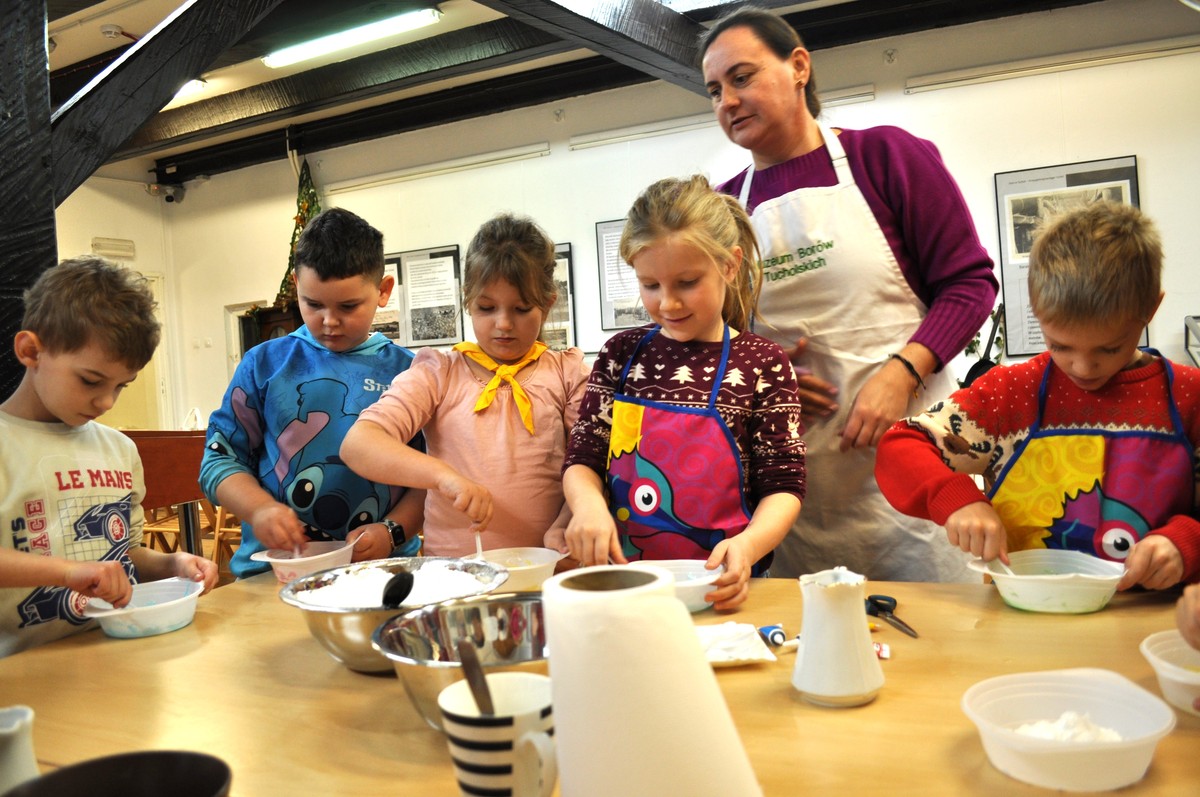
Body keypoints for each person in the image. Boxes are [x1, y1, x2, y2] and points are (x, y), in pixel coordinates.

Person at [699, 7, 998, 581]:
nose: (727, 102)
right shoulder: (723, 210)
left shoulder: (886, 158)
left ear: (799, 66)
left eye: (742, 78)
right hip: (797, 487)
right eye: (714, 91)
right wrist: (764, 378)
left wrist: (902, 373)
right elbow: (710, 343)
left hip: (912, 459)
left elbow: (969, 284)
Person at [875, 202, 1200, 591]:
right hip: (1023, 612)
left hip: (1149, 615)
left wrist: (1188, 540)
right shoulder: (1012, 392)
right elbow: (902, 444)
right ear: (1036, 310)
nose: (1083, 367)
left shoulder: (1189, 396)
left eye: (1109, 348)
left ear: (1151, 308)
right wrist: (957, 498)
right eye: (1060, 345)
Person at [562, 175, 806, 610]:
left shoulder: (761, 362)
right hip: (628, 586)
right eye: (650, 285)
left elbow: (784, 485)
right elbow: (583, 457)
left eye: (687, 282)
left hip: (725, 584)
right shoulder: (621, 354)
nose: (668, 304)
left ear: (729, 265)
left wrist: (748, 546)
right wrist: (587, 506)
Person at [1, 257, 218, 657]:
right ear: (31, 351)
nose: (106, 402)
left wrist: (171, 565)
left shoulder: (120, 450)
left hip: (119, 655)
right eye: (90, 381)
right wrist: (67, 572)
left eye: (121, 386)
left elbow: (124, 554)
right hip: (24, 670)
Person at [340, 213, 589, 557]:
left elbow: (591, 462)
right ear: (468, 300)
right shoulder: (438, 373)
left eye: (521, 308)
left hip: (549, 566)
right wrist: (442, 476)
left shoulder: (567, 373)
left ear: (546, 305)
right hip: (455, 572)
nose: (503, 323)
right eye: (487, 307)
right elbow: (358, 445)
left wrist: (568, 519)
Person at [200, 207, 424, 578]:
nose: (329, 321)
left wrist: (392, 531)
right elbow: (219, 460)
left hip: (382, 570)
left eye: (348, 306)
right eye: (313, 304)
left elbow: (431, 478)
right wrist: (258, 508)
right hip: (276, 573)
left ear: (383, 290)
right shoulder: (265, 364)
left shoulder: (410, 373)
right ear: (296, 286)